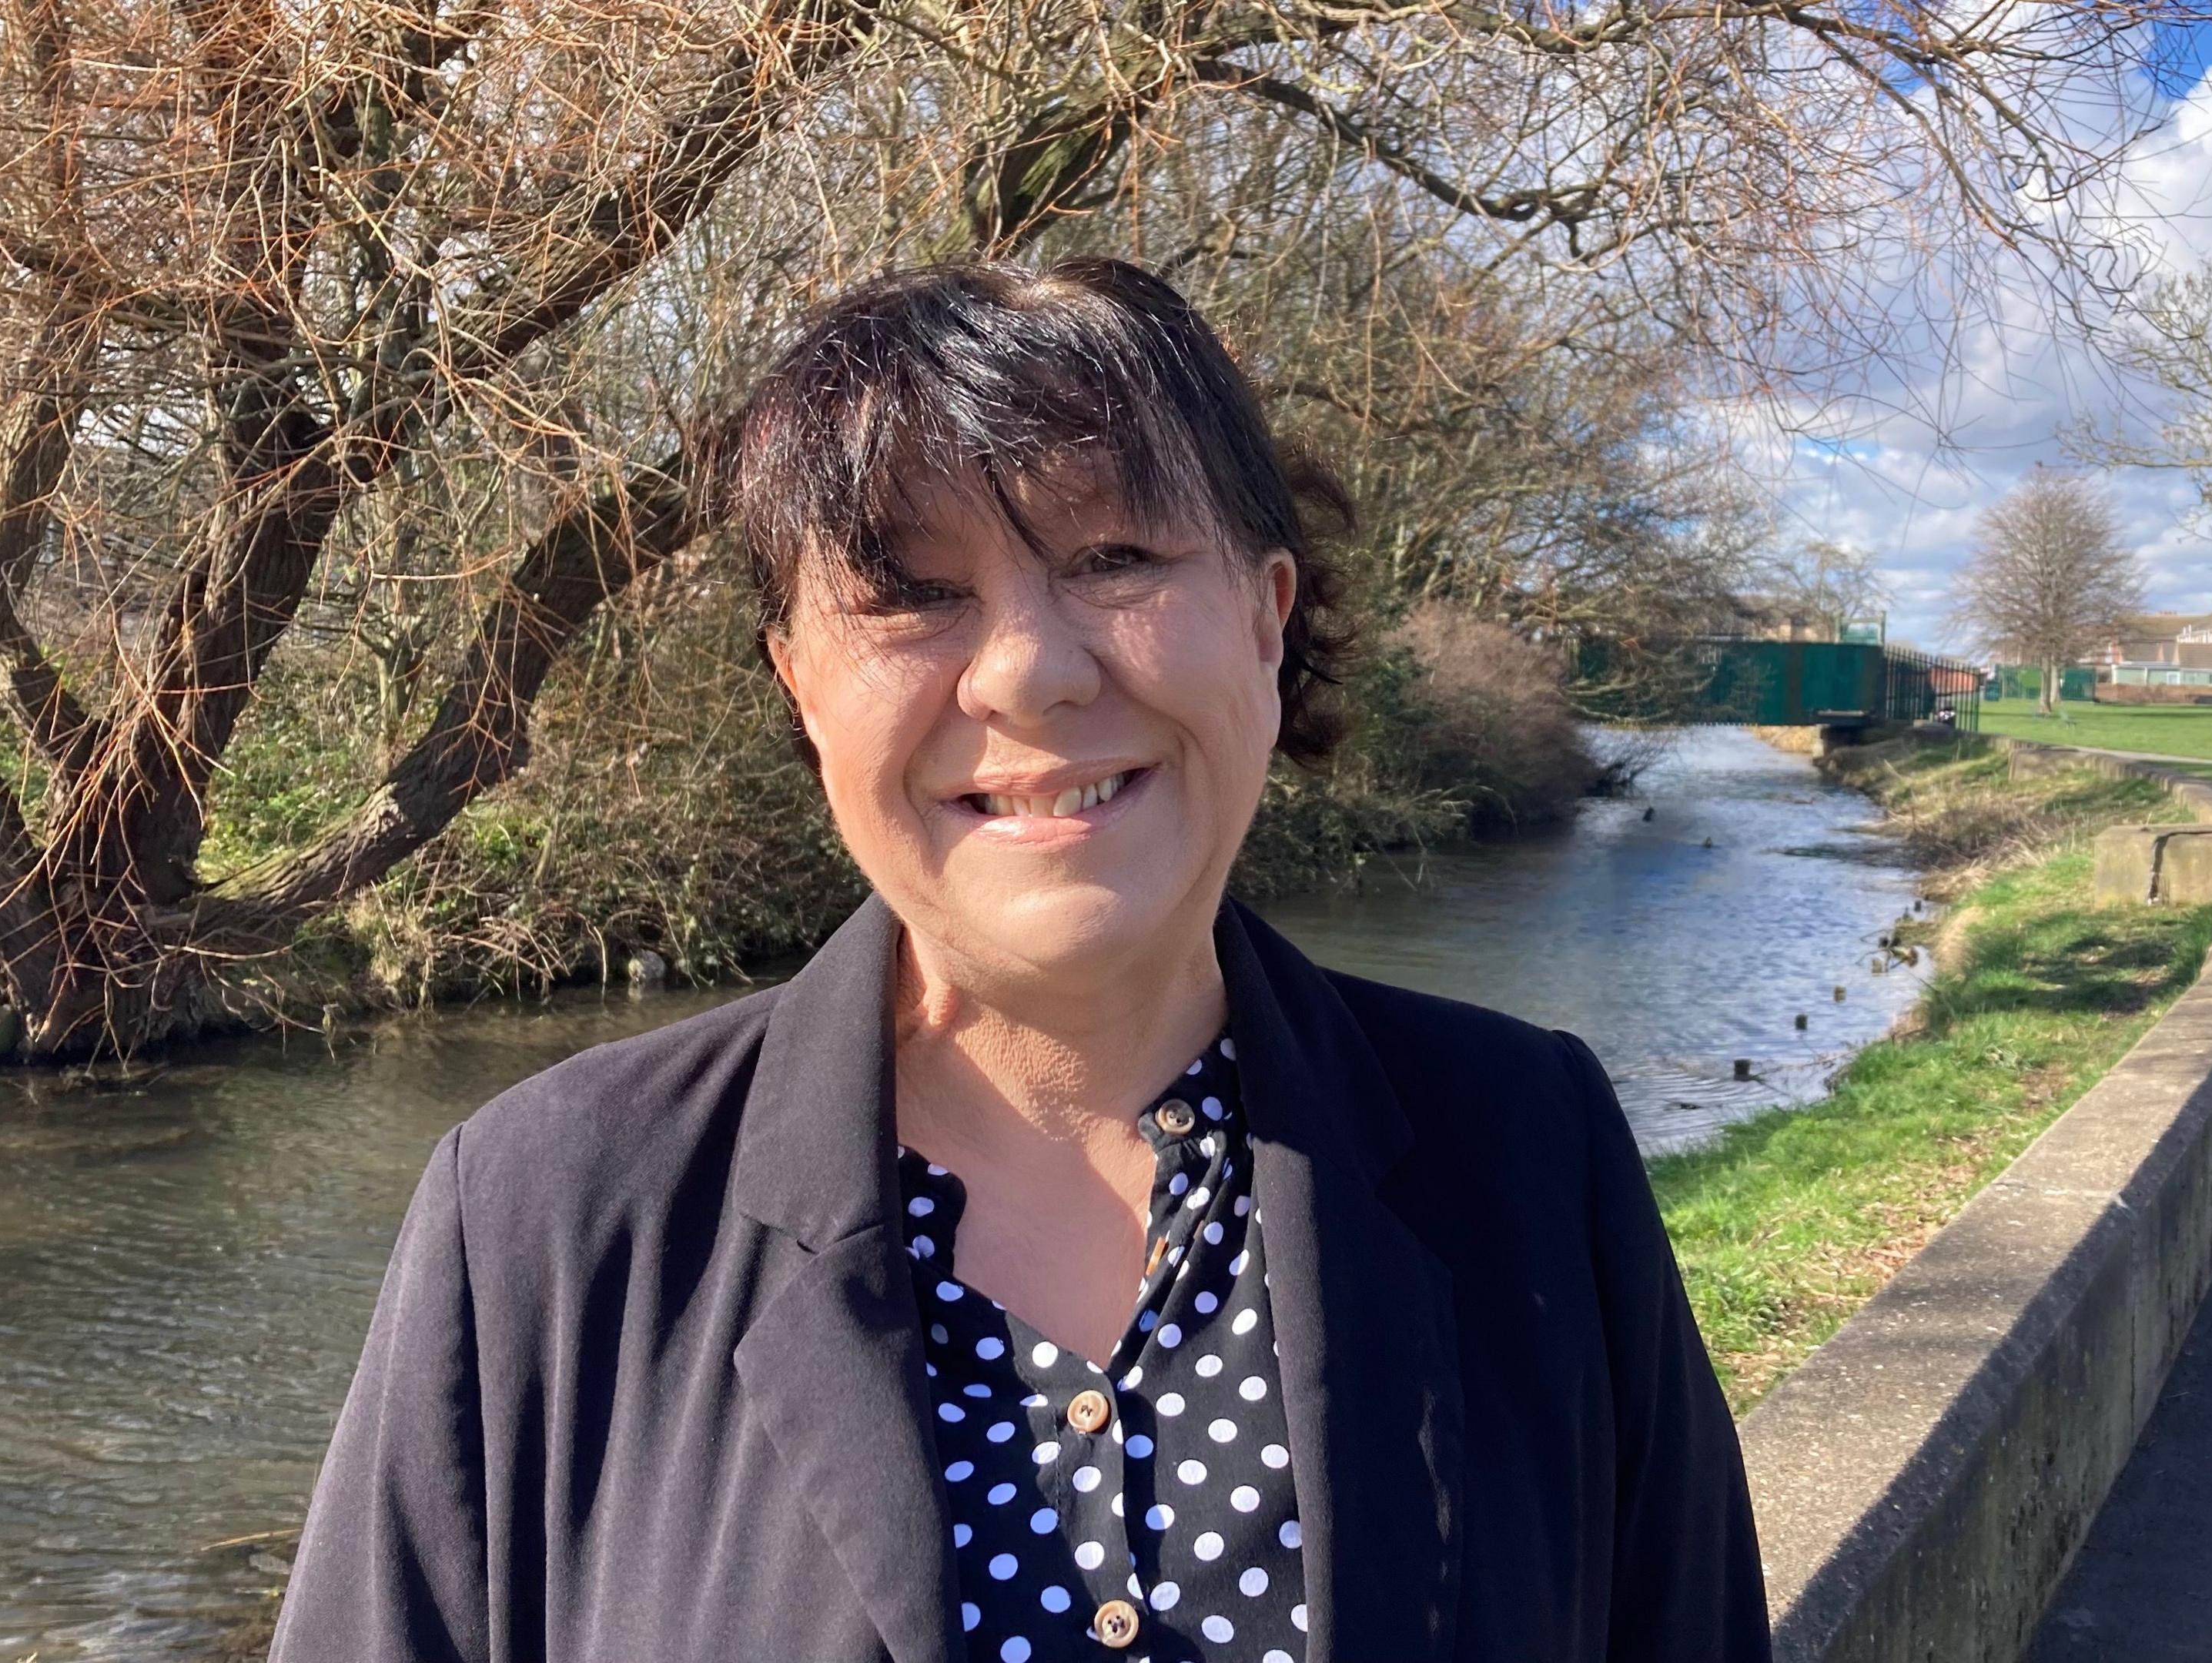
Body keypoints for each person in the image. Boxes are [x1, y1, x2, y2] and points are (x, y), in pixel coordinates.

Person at [269, 259, 1767, 1663]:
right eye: (913, 594)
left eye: (1116, 558)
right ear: (799, 683)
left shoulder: (1533, 1160)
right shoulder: (545, 1218)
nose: (1030, 669)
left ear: (1266, 613)